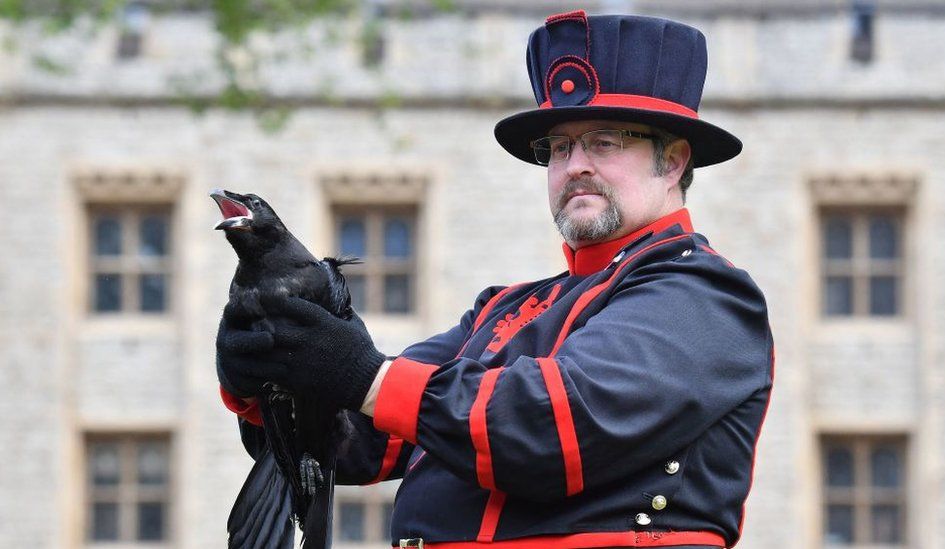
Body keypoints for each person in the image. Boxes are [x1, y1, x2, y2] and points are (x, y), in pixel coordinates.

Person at [217, 10, 773, 549]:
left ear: (672, 161)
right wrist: (270, 378)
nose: (575, 163)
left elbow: (549, 428)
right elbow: (361, 439)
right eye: (559, 147)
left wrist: (360, 375)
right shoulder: (501, 311)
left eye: (604, 141)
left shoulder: (705, 294)